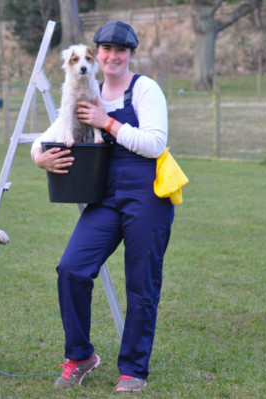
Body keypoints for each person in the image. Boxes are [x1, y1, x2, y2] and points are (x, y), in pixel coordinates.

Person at [31, 21, 174, 393]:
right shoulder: (85, 89)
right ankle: (80, 357)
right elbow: (51, 132)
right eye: (106, 50)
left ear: (130, 55)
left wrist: (106, 122)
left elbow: (156, 144)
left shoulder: (144, 89)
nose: (112, 56)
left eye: (120, 51)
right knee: (72, 268)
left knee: (141, 284)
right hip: (105, 197)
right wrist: (39, 157)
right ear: (96, 54)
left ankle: (133, 369)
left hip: (148, 195)